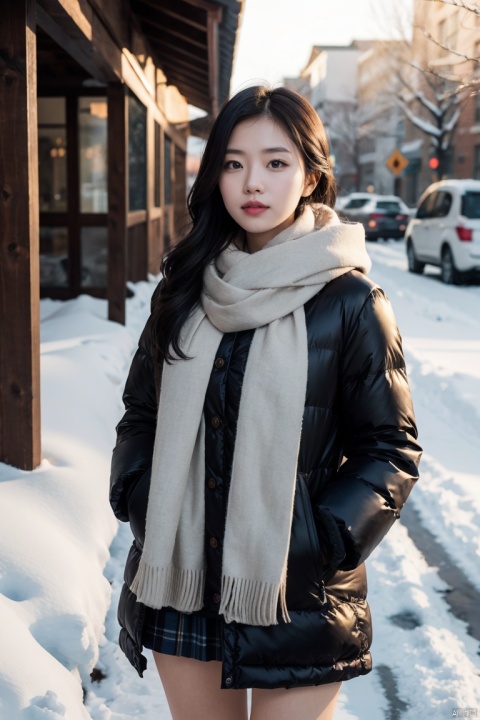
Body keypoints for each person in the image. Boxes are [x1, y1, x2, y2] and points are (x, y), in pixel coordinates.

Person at [109, 85, 421, 720]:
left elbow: (389, 449)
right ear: (215, 174)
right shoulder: (185, 289)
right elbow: (141, 413)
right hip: (183, 579)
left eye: (276, 162)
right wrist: (140, 495)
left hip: (295, 591)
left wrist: (323, 538)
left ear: (310, 174)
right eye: (234, 161)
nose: (254, 181)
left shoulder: (352, 300)